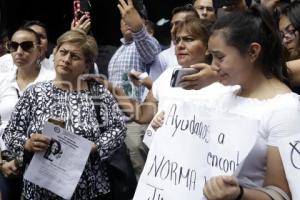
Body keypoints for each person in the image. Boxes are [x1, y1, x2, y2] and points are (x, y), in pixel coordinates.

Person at [154, 4, 300, 200]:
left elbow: (281, 194)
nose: (213, 66)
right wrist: (170, 127)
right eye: (211, 56)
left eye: (219, 57)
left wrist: (240, 194)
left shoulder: (284, 110)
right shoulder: (222, 96)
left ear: (252, 52)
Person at [2, 29, 126, 200]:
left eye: (75, 57)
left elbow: (118, 129)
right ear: (55, 54)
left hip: (88, 190)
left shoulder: (99, 95)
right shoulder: (35, 93)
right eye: (63, 52)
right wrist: (28, 144)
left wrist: (94, 147)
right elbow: (11, 132)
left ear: (87, 65)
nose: (66, 60)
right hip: (40, 191)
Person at [0, 27, 55, 200]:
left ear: (39, 50)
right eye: (13, 46)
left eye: (26, 46)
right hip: (5, 161)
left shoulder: (52, 81)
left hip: (41, 163)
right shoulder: (2, 80)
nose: (19, 52)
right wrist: (1, 163)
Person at [108, 0, 160, 179]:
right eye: (123, 19)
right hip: (117, 122)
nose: (127, 22)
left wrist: (139, 29)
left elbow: (151, 52)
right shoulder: (119, 50)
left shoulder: (145, 43)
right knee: (125, 177)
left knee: (142, 174)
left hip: (136, 122)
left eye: (131, 18)